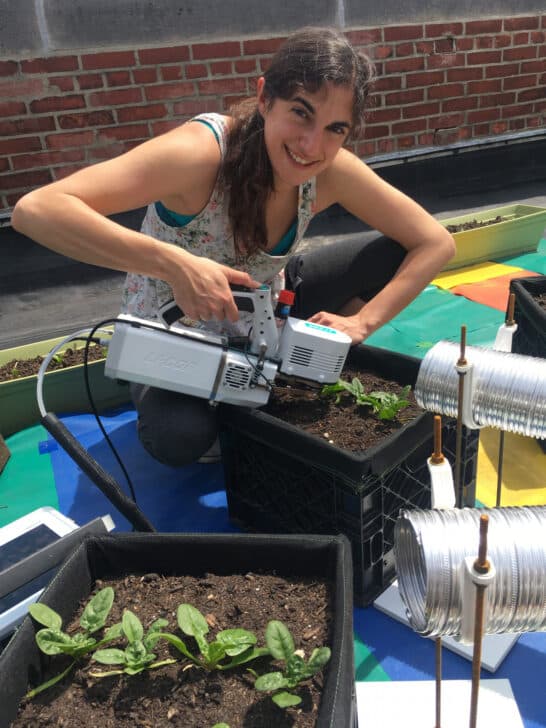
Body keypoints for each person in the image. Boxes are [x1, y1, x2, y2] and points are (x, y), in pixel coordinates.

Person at [12, 27, 455, 466]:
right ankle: (239, 395)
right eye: (301, 113)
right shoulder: (200, 154)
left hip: (265, 312)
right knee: (177, 438)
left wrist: (361, 322)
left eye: (335, 129)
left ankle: (284, 368)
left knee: (391, 255)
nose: (311, 145)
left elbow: (434, 243)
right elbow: (37, 210)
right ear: (265, 98)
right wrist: (177, 265)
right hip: (176, 336)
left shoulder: (332, 169)